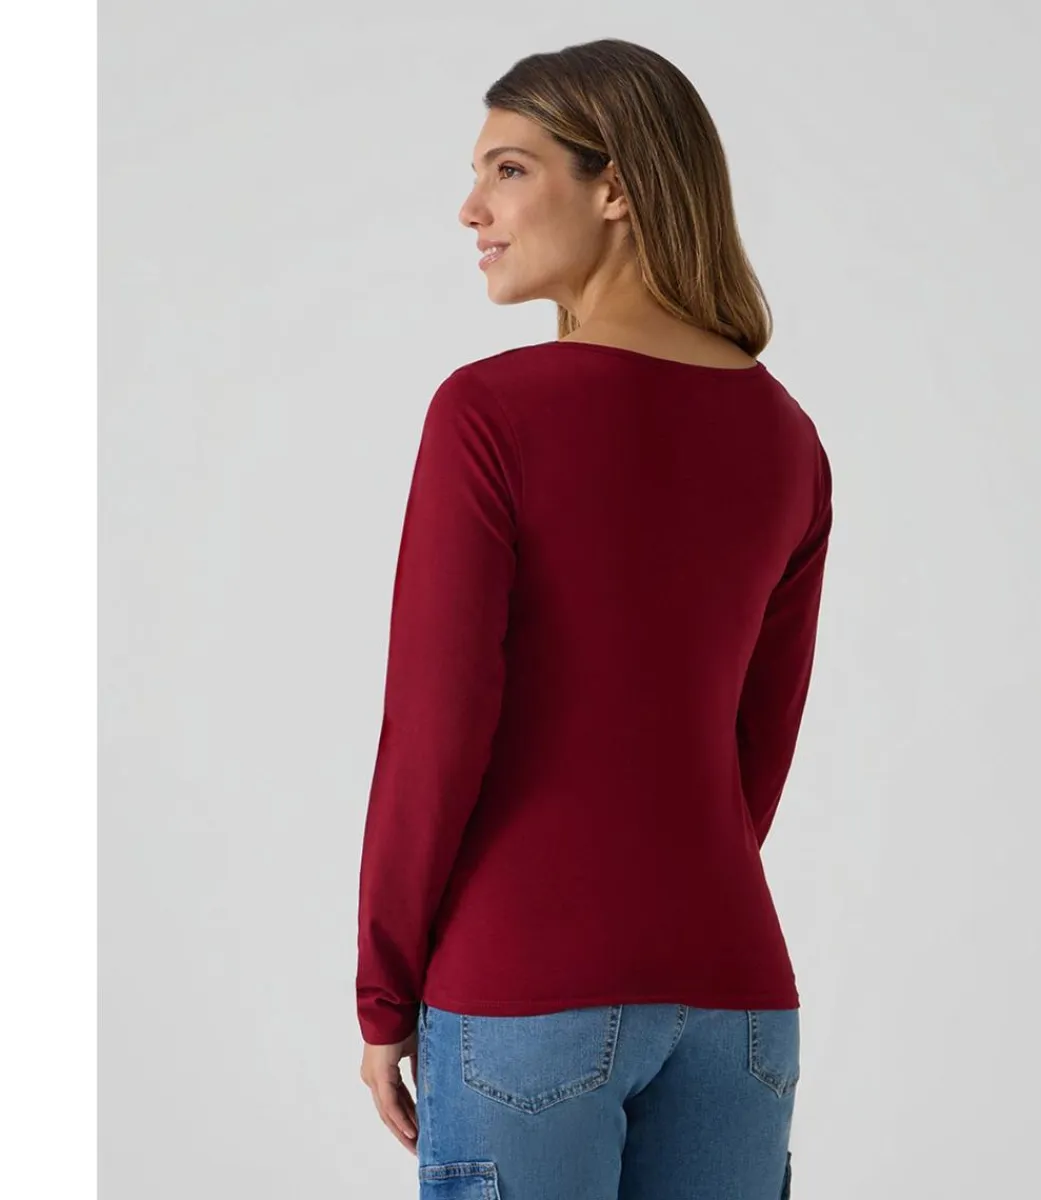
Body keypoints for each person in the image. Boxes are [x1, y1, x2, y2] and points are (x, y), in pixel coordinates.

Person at [356, 37, 832, 1200]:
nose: (472, 207)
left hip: (526, 987)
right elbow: (754, 751)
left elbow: (436, 728)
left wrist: (384, 991)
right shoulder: (786, 437)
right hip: (737, 999)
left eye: (510, 170)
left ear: (614, 187)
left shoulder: (490, 414)